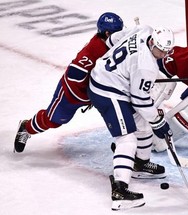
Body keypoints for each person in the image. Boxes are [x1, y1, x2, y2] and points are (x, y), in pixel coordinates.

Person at [87, 25, 174, 210]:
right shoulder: (146, 65)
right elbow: (140, 100)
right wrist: (159, 123)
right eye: (160, 50)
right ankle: (120, 191)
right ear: (152, 42)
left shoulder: (145, 29)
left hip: (111, 80)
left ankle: (140, 164)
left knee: (142, 124)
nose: (163, 55)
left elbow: (113, 39)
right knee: (127, 139)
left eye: (166, 52)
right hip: (107, 90)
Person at [13, 12, 124, 153]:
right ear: (108, 34)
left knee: (120, 113)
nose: (121, 35)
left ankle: (126, 147)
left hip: (96, 94)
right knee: (53, 120)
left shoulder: (110, 43)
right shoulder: (93, 51)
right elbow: (74, 73)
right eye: (118, 32)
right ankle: (26, 128)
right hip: (71, 95)